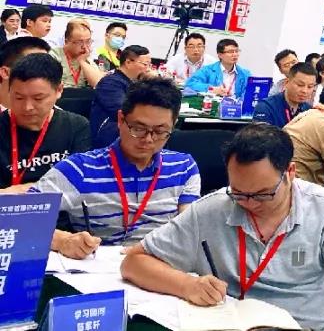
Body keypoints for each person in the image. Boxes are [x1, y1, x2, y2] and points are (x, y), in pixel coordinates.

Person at [120, 123, 324, 331]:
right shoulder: (213, 209)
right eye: (239, 192)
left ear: (290, 173)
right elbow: (134, 263)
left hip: (320, 325)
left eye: (262, 194)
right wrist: (187, 285)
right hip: (241, 324)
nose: (249, 203)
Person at [31, 77, 199, 257]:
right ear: (120, 119)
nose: (148, 139)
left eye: (160, 131)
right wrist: (62, 240)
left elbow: (188, 232)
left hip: (159, 264)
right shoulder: (80, 169)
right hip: (96, 266)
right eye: (138, 128)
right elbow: (21, 219)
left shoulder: (183, 168)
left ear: (173, 126)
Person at [0, 53, 91, 192]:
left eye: (38, 98)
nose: (27, 107)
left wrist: (22, 190)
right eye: (19, 98)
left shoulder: (76, 126)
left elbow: (78, 182)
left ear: (59, 90)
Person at [89, 45, 153, 147]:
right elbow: (124, 111)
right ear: (128, 62)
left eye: (150, 65)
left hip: (131, 130)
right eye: (145, 64)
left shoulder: (134, 83)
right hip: (109, 134)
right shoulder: (110, 83)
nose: (148, 69)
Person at [253, 63, 315, 129]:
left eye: (310, 86)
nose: (305, 91)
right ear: (287, 82)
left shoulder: (308, 110)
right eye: (300, 85)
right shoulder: (266, 107)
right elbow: (261, 134)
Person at [0, 36, 51, 112]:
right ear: (5, 72)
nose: (44, 73)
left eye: (47, 66)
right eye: (35, 66)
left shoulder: (56, 114)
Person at [50, 18, 105, 88]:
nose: (84, 46)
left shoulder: (86, 58)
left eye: (88, 41)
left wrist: (82, 62)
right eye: (80, 42)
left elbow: (99, 84)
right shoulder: (53, 56)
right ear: (66, 41)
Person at [185, 38, 250, 96]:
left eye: (237, 51)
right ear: (220, 55)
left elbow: (249, 93)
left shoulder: (245, 74)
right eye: (230, 52)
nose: (235, 54)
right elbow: (190, 84)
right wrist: (211, 89)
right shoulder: (208, 70)